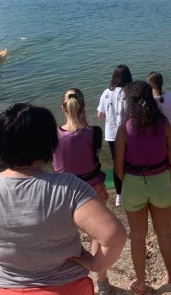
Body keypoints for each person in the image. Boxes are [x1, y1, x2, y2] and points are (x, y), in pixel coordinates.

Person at [0, 103, 127, 294]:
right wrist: (94, 264)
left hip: (4, 288)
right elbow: (114, 236)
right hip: (66, 287)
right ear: (50, 145)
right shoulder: (68, 187)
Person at [113, 81, 171, 294]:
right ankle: (170, 273)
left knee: (137, 236)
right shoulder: (164, 125)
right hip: (160, 178)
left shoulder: (124, 128)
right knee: (164, 232)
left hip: (134, 182)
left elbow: (118, 167)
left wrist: (133, 180)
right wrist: (163, 175)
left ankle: (141, 283)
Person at [54, 88, 111, 294]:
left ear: (63, 108)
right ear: (83, 107)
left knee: (64, 237)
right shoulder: (94, 132)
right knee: (96, 236)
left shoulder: (53, 135)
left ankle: (66, 281)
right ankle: (102, 283)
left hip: (62, 191)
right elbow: (92, 156)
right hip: (92, 188)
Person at [97, 64, 132, 207]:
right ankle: (130, 190)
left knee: (116, 162)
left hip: (111, 134)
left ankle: (119, 195)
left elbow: (100, 114)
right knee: (128, 161)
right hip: (127, 133)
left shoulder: (106, 92)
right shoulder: (129, 92)